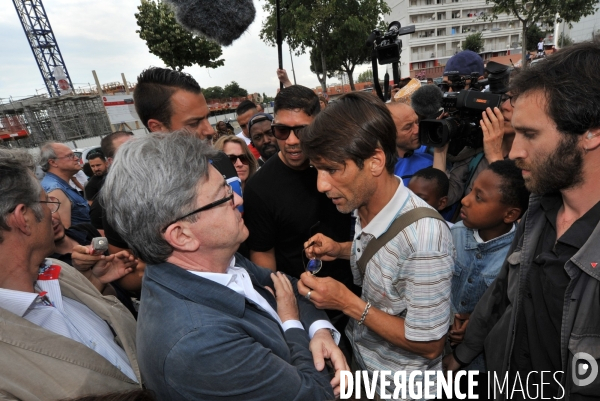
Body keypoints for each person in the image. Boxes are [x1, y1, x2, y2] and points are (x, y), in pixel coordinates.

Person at [101, 131, 347, 400]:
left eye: (232, 189)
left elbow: (289, 287)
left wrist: (320, 331)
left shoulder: (217, 258)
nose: (239, 201)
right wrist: (292, 324)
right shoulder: (200, 345)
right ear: (182, 235)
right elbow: (316, 395)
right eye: (225, 196)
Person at [444, 39, 600, 399]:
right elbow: (502, 294)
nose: (513, 152)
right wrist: (462, 356)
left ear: (591, 132)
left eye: (530, 134)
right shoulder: (538, 211)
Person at [298, 91, 454, 397]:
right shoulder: (366, 204)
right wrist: (339, 249)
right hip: (366, 369)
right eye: (316, 170)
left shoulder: (424, 237)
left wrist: (347, 302)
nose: (321, 184)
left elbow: (430, 345)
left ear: (374, 162)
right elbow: (387, 260)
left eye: (332, 169)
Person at [0, 148, 141, 399]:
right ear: (23, 218)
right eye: (47, 203)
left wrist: (98, 285)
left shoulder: (62, 273)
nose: (53, 214)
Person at [447, 160, 529, 371]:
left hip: (483, 365)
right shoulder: (452, 235)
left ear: (510, 214)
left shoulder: (518, 257)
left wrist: (474, 324)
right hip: (441, 351)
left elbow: (511, 314)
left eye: (479, 197)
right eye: (471, 190)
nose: (465, 200)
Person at [40, 142, 90, 228]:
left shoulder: (58, 185)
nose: (76, 158)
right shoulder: (56, 190)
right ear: (53, 162)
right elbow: (64, 232)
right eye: (70, 156)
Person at [387, 102, 433, 185]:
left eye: (417, 122)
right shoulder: (381, 172)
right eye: (408, 127)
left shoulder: (429, 158)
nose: (417, 130)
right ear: (388, 133)